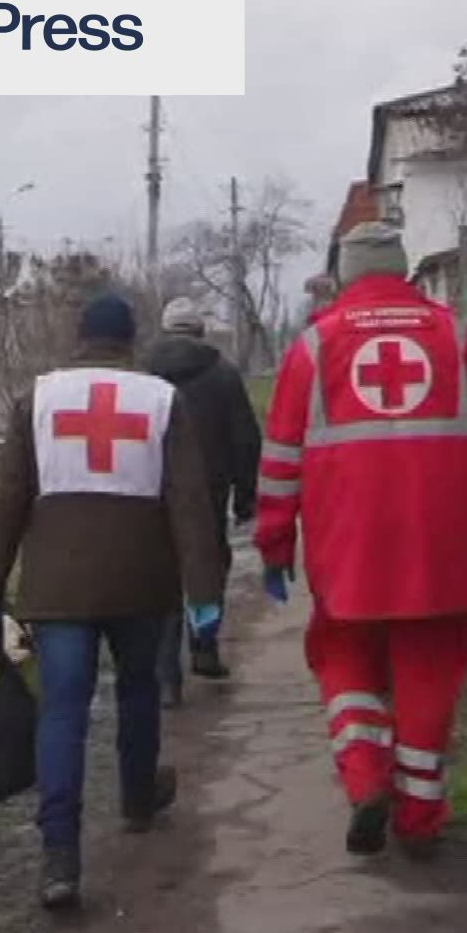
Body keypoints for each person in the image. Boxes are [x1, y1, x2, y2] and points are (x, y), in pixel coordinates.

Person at [255, 221, 467, 859]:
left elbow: (280, 460)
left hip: (348, 547)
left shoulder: (314, 347)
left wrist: (274, 544)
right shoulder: (463, 339)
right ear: (403, 268)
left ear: (345, 274)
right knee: (430, 668)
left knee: (344, 654)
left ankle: (365, 779)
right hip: (444, 549)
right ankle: (419, 816)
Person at [0, 293, 225, 909]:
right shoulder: (162, 399)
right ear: (130, 341)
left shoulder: (38, 399)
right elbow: (189, 503)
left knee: (63, 710)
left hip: (58, 587)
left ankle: (59, 856)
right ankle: (137, 797)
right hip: (141, 581)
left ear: (79, 338)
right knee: (138, 689)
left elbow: (7, 503)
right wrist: (203, 595)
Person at [143, 296, 263, 706]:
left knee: (161, 574)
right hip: (208, 489)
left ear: (165, 331)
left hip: (152, 488)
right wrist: (246, 497)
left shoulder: (143, 375)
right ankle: (204, 647)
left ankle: (165, 676)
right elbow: (245, 439)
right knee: (208, 563)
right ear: (200, 331)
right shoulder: (223, 374)